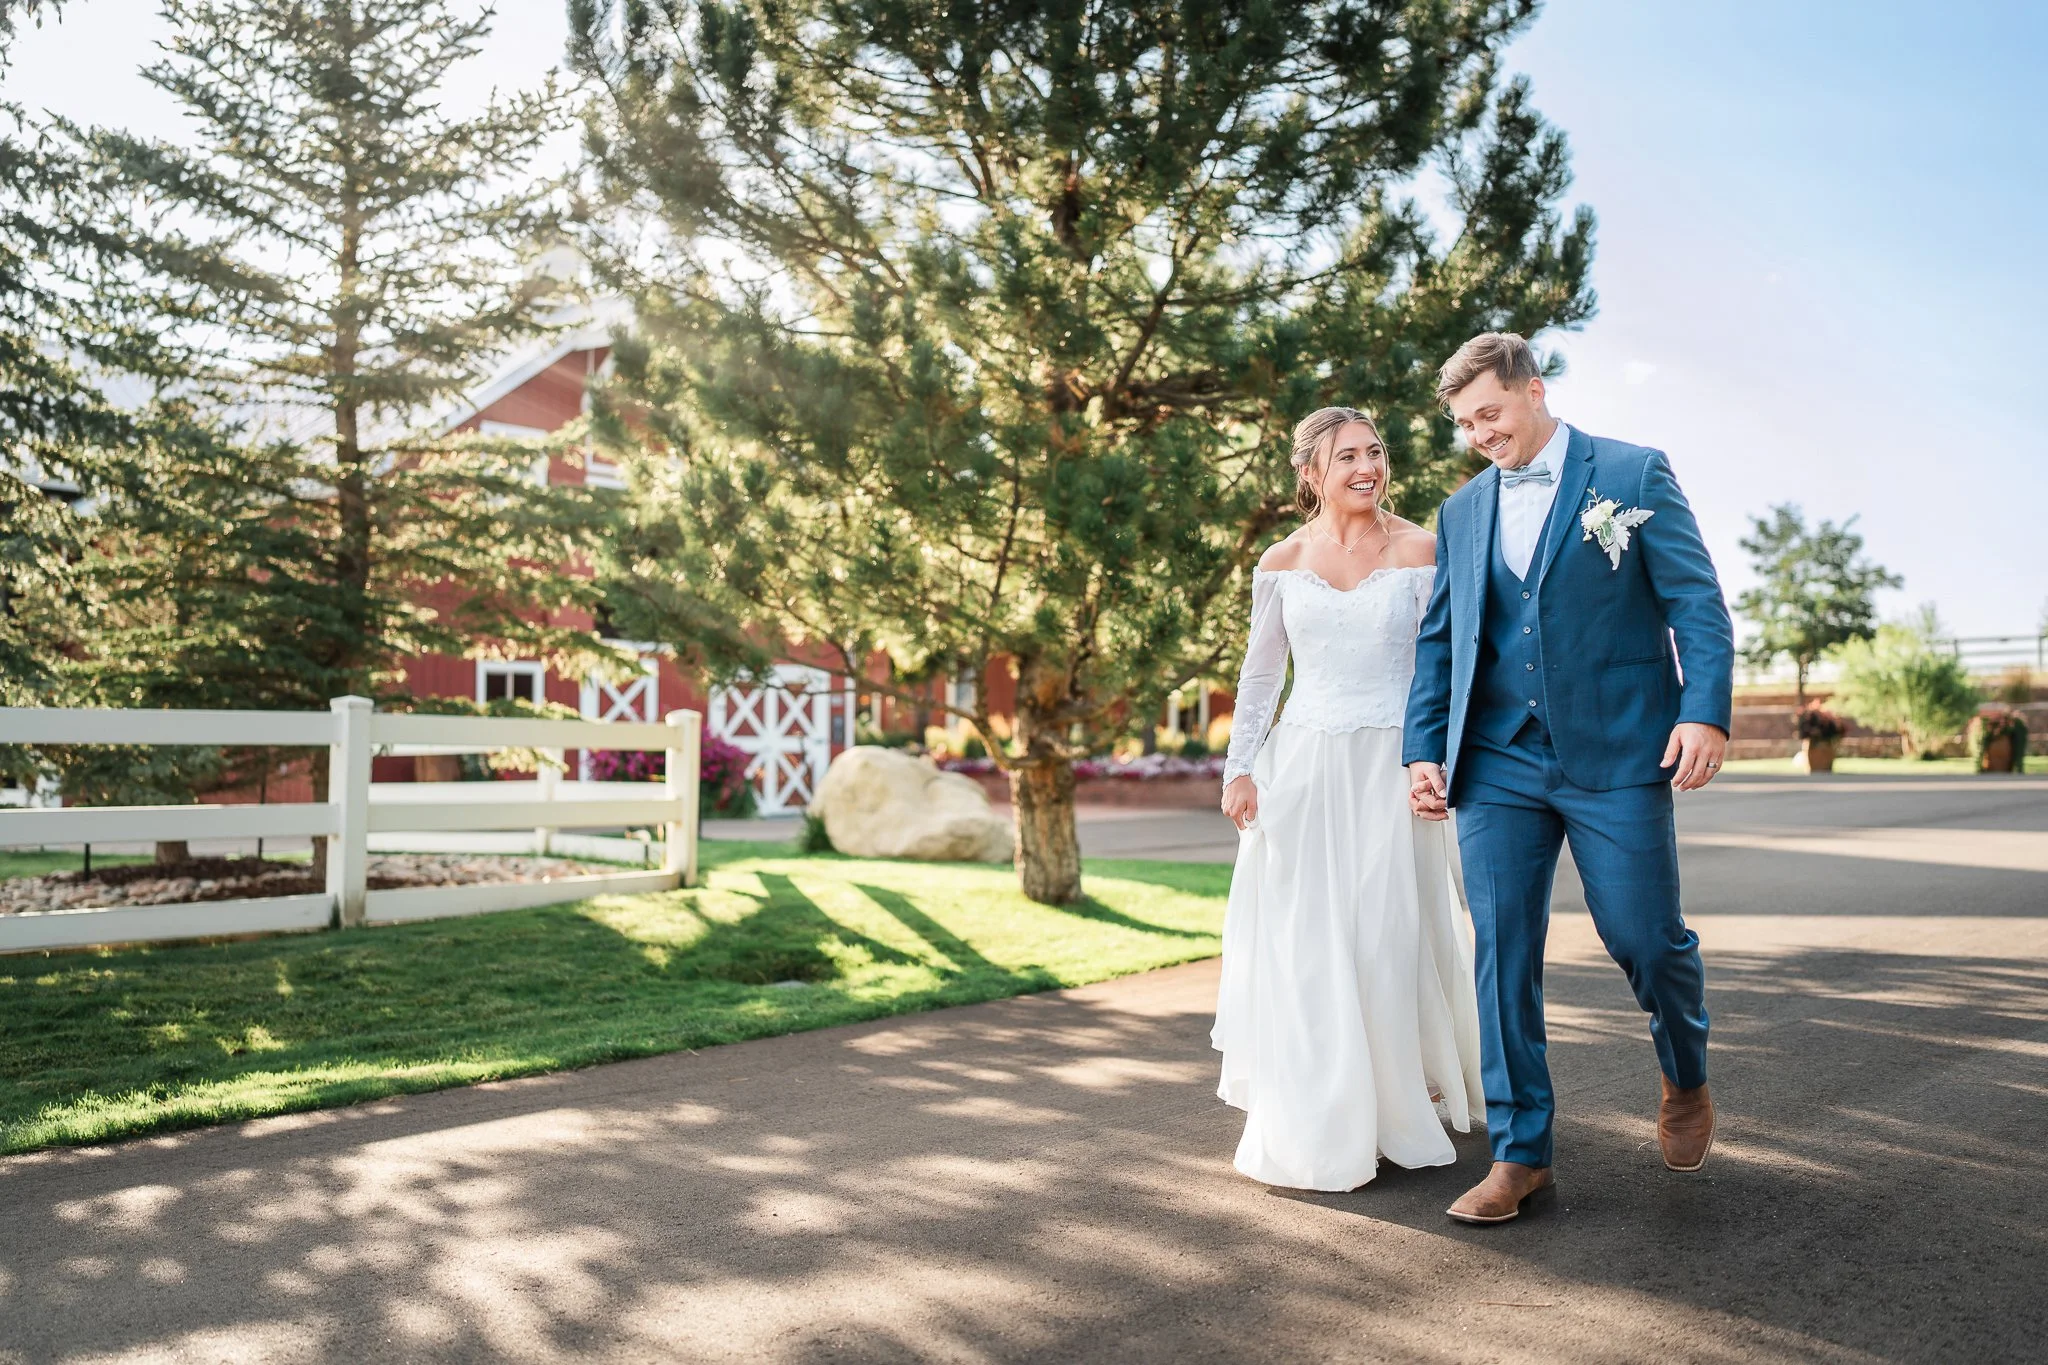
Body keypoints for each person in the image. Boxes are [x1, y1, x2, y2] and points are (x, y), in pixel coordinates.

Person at [1402, 333, 1735, 1226]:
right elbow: (1443, 638)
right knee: (1501, 949)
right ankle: (1520, 1153)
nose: (1479, 434)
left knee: (1644, 935)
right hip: (1497, 757)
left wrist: (1703, 710)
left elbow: (1696, 602)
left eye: (1490, 414)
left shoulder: (1632, 473)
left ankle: (1686, 1073)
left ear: (1535, 391)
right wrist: (1421, 747)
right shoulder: (1462, 510)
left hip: (1619, 751)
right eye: (1465, 423)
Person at [1212, 405, 1484, 1192]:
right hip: (1299, 770)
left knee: (1386, 934)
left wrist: (1438, 759)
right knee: (1308, 941)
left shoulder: (1423, 550)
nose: (1366, 468)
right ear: (1311, 473)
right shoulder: (1283, 559)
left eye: (1374, 452)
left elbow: (1452, 667)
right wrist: (1239, 767)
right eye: (1346, 458)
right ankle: (1323, 1110)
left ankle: (1401, 1099)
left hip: (1393, 771)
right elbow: (1262, 676)